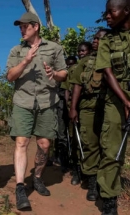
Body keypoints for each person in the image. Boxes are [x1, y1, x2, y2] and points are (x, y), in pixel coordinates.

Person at [6, 12, 67, 210]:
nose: (21, 30)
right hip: (23, 102)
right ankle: (20, 187)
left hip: (47, 102)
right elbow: (10, 77)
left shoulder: (54, 48)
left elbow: (63, 73)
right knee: (21, 142)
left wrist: (54, 74)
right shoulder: (16, 50)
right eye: (20, 27)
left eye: (25, 26)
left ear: (36, 26)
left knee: (44, 144)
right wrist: (25, 61)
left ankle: (38, 178)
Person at [95, 0, 130, 214]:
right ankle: (109, 200)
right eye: (106, 12)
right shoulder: (107, 40)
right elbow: (108, 73)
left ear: (126, 11)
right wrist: (126, 102)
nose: (107, 15)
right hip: (117, 99)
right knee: (112, 151)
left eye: (112, 11)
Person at [69, 29, 108, 202]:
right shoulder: (84, 62)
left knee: (107, 144)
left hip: (108, 106)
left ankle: (106, 181)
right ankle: (92, 183)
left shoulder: (113, 60)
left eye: (99, 39)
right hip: (87, 106)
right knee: (90, 144)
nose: (95, 41)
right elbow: (77, 85)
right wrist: (73, 107)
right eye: (94, 38)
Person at [61, 43, 92, 186]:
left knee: (89, 142)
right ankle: (77, 170)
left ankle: (89, 173)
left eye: (84, 50)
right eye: (79, 51)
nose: (81, 53)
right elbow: (68, 88)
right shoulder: (74, 69)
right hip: (75, 109)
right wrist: (69, 107)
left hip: (90, 108)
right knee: (75, 140)